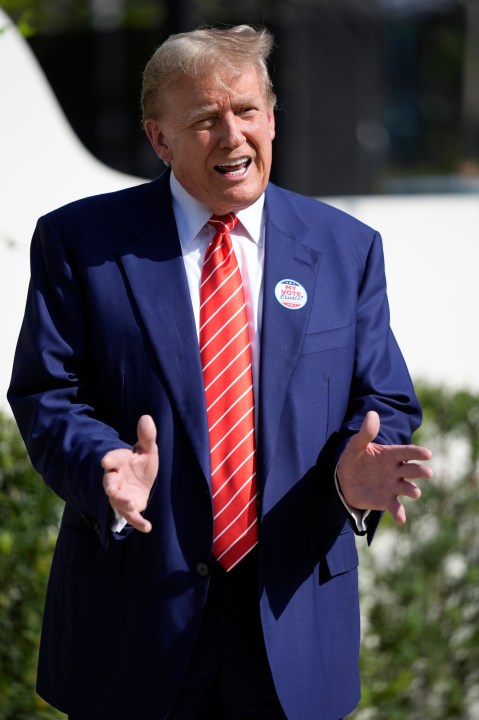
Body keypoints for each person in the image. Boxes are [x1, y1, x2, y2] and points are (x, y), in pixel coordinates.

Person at [8, 24, 432, 720]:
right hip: (132, 615)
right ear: (160, 138)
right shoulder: (80, 242)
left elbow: (382, 396)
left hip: (291, 615)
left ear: (270, 116)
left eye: (246, 111)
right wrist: (104, 463)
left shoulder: (344, 248)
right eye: (205, 119)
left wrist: (351, 475)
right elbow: (47, 394)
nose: (232, 136)